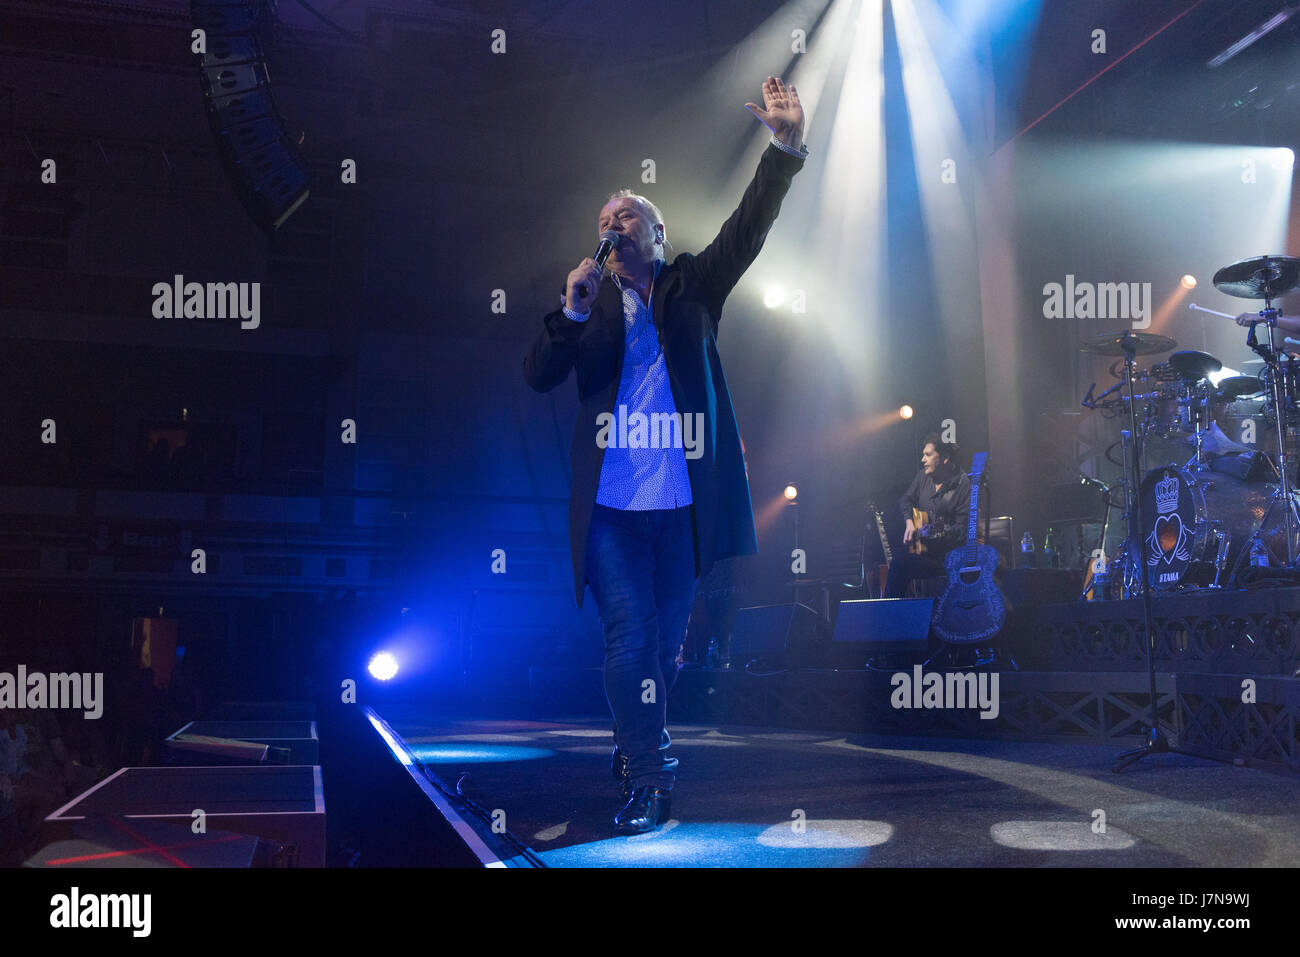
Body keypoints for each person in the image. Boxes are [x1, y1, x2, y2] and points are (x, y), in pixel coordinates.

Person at [524, 77, 807, 834]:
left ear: (654, 231)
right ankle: (653, 778)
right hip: (614, 511)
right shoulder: (587, 309)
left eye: (629, 217)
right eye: (606, 220)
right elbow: (538, 376)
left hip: (681, 507)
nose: (615, 225)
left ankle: (636, 739)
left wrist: (782, 148)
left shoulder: (693, 287)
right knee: (629, 635)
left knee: (670, 653)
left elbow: (750, 225)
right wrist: (572, 309)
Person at [886, 435, 971, 599]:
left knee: (901, 565)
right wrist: (909, 523)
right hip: (926, 553)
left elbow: (962, 530)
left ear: (945, 458)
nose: (923, 460)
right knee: (898, 564)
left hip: (949, 558)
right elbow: (906, 499)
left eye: (928, 455)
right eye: (923, 454)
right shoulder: (923, 476)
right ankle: (890, 617)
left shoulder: (963, 484)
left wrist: (934, 531)